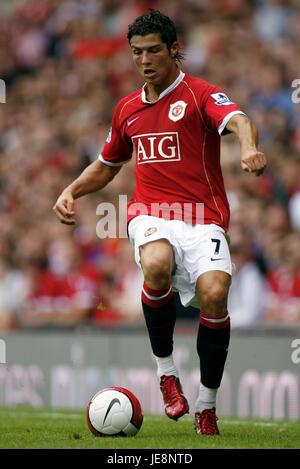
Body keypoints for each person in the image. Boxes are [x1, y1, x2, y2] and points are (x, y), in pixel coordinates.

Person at [53, 10, 267, 435]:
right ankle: (167, 374)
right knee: (155, 262)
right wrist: (71, 191)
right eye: (137, 53)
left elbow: (239, 120)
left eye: (153, 50)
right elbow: (107, 165)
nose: (145, 60)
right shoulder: (127, 109)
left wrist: (248, 149)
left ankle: (206, 405)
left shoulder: (200, 93)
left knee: (215, 292)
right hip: (150, 213)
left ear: (173, 50)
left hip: (202, 217)